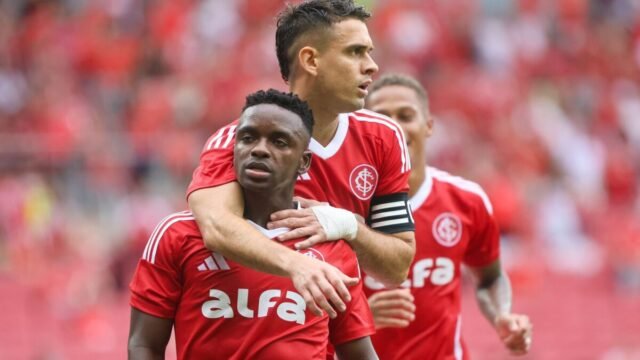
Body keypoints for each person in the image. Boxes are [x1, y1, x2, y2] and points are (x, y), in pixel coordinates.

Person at [187, 0, 415, 320]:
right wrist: (299, 265)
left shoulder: (384, 138)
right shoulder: (237, 142)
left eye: (370, 52)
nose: (372, 65)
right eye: (355, 52)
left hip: (331, 339)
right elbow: (216, 227)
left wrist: (347, 225)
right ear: (310, 60)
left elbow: (398, 266)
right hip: (251, 331)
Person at [128, 89, 378, 360]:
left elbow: (359, 354)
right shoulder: (178, 233)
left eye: (279, 142)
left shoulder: (331, 248)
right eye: (247, 138)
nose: (259, 149)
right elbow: (144, 345)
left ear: (303, 162)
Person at [363, 74, 533, 359]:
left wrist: (501, 314)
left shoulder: (466, 200)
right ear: (364, 128)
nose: (394, 127)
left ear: (428, 126)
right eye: (382, 117)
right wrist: (361, 317)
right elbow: (298, 307)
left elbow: (490, 278)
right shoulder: (342, 206)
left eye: (406, 115)